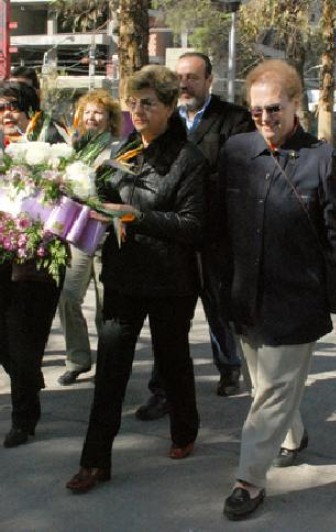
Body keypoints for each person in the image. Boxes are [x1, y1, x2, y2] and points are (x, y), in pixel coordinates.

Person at [219, 59, 336, 521]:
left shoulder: (321, 159)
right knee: (265, 384)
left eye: (274, 109)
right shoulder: (236, 150)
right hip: (245, 295)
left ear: (296, 104)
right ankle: (293, 436)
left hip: (297, 298)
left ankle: (249, 480)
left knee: (271, 394)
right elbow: (220, 224)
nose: (264, 119)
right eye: (256, 110)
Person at [65, 65, 208, 493]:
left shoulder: (189, 159)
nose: (138, 110)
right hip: (125, 275)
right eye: (133, 102)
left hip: (170, 281)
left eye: (148, 102)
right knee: (110, 369)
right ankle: (94, 462)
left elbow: (194, 225)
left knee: (172, 360)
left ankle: (184, 429)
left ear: (169, 107)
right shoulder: (125, 148)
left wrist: (136, 216)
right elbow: (106, 194)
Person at [135, 52, 255, 421]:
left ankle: (229, 365)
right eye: (179, 77)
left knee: (218, 307)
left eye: (192, 77)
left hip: (215, 237)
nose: (185, 84)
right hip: (171, 238)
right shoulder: (165, 119)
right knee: (170, 320)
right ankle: (162, 391)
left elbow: (242, 176)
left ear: (209, 80)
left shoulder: (233, 119)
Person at [0, 81, 67, 448]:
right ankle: (28, 378)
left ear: (29, 109)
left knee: (24, 341)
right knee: (5, 341)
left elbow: (68, 193)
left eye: (12, 106)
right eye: (1, 108)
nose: (6, 114)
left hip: (35, 259)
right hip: (1, 256)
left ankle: (23, 419)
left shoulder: (50, 144)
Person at [57, 89, 122, 386]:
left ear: (109, 118)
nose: (92, 117)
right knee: (68, 297)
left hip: (109, 237)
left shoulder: (120, 150)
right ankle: (78, 359)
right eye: (87, 112)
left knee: (106, 307)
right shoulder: (75, 149)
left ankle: (109, 365)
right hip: (80, 235)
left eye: (98, 112)